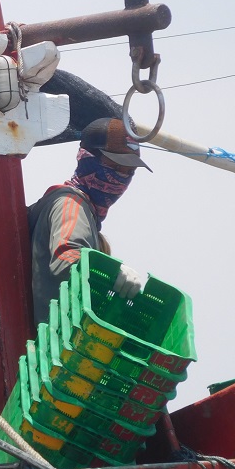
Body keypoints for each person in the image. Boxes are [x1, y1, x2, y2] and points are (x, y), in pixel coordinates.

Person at [27, 118, 151, 324]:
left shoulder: (83, 214)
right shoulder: (72, 204)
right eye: (114, 165)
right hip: (54, 344)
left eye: (128, 172)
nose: (120, 177)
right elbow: (68, 258)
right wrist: (113, 271)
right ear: (87, 158)